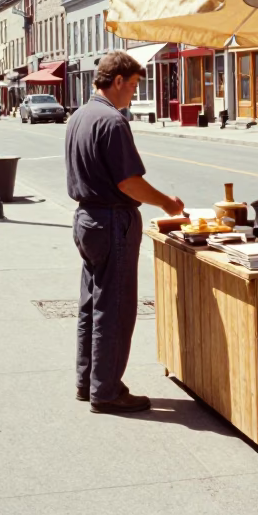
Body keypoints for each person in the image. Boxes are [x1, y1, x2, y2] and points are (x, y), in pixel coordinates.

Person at [65, 51, 184, 414]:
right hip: (111, 220)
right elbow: (129, 182)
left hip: (86, 219)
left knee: (92, 305)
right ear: (116, 81)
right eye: (132, 86)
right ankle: (107, 390)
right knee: (115, 307)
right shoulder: (113, 121)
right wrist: (166, 203)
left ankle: (88, 382)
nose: (133, 93)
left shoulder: (79, 116)